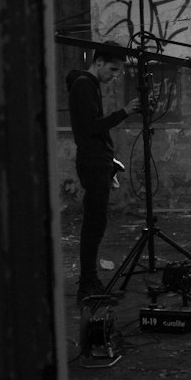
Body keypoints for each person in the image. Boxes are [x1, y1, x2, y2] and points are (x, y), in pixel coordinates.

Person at [66, 41, 140, 302]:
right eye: (113, 69)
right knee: (93, 226)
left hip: (97, 161)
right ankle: (87, 285)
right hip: (93, 163)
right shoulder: (85, 84)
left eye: (119, 71)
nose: (116, 75)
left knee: (96, 224)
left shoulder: (87, 84)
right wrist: (125, 112)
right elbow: (91, 127)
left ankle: (89, 281)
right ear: (98, 62)